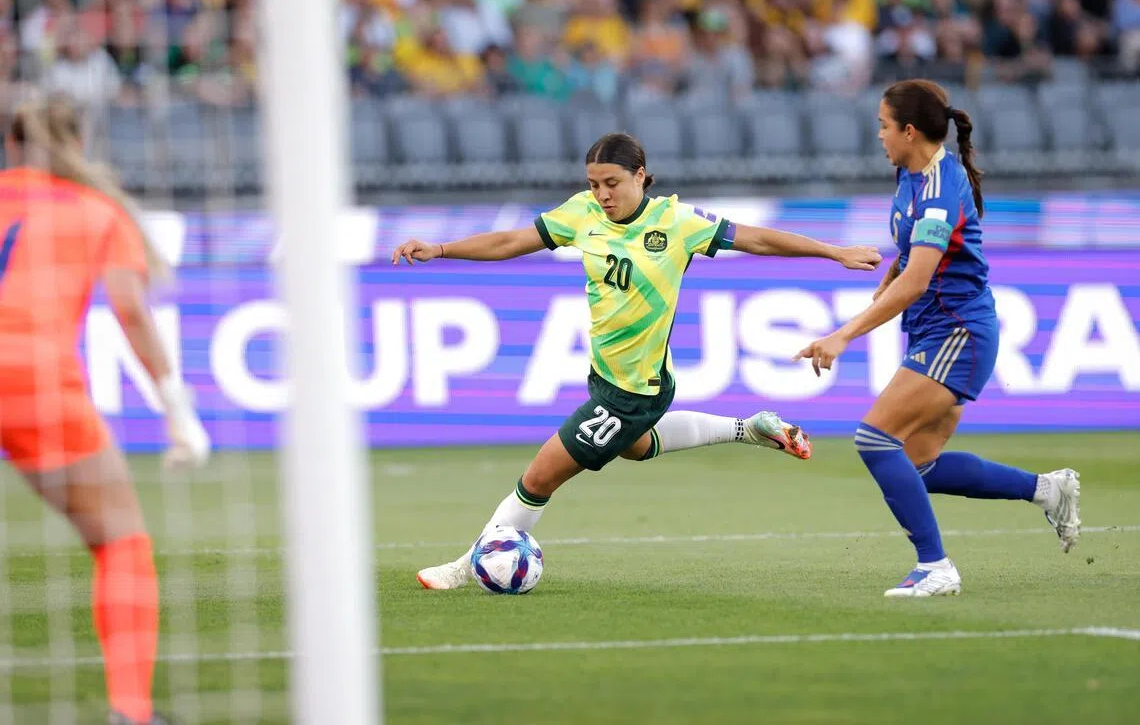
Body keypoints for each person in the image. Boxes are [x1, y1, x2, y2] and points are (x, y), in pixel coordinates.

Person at [391, 132, 883, 590]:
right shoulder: (581, 214)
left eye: (612, 183)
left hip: (634, 392)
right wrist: (440, 248)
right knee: (634, 448)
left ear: (641, 176)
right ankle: (750, 428)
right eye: (594, 184)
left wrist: (832, 252)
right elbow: (509, 242)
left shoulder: (676, 223)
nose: (603, 194)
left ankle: (466, 566)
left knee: (540, 478)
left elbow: (757, 238)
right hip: (607, 377)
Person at [795, 79, 1081, 599]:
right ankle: (1047, 489)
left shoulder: (939, 189)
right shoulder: (910, 174)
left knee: (874, 437)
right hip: (936, 331)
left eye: (883, 125)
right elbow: (909, 258)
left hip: (959, 333)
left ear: (908, 130)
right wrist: (882, 286)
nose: (877, 135)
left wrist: (843, 335)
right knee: (919, 464)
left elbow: (920, 278)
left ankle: (936, 566)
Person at [0, 95, 210, 724]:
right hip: (34, 379)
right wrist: (178, 411)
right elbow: (132, 314)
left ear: (11, 146)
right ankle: (129, 712)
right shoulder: (98, 212)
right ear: (80, 143)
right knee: (120, 543)